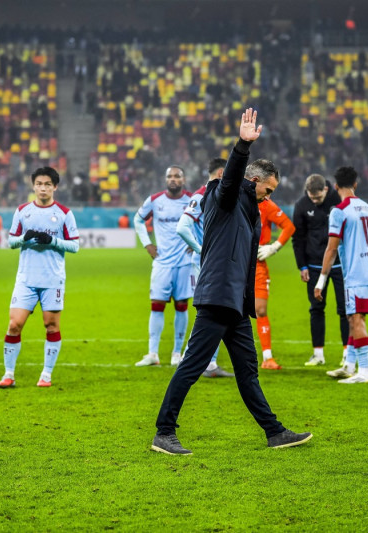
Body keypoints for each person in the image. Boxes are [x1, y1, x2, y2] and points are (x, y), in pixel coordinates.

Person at [151, 108, 312, 455]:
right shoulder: (223, 196)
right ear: (254, 181)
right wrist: (242, 145)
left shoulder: (249, 207)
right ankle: (164, 432)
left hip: (235, 302)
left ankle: (274, 432)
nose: (268, 197)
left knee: (248, 370)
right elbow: (230, 179)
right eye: (267, 190)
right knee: (192, 366)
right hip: (217, 296)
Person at [0, 167, 80, 388]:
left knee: (51, 326)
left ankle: (46, 375)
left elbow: (75, 246)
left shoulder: (64, 213)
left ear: (55, 187)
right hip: (26, 280)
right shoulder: (23, 211)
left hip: (53, 280)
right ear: (33, 186)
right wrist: (25, 237)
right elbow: (10, 242)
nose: (43, 188)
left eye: (48, 184)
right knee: (14, 324)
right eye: (39, 184)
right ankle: (8, 374)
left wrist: (51, 241)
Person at [315, 166, 368, 384]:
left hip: (356, 274)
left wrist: (321, 281)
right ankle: (349, 365)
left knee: (356, 319)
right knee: (353, 317)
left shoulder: (339, 211)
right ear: (355, 184)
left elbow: (331, 249)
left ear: (335, 187)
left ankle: (364, 371)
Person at [175, 157, 235, 378]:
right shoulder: (202, 195)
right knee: (213, 312)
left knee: (212, 312)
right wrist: (200, 248)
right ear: (221, 173)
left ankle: (199, 360)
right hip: (207, 264)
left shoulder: (206, 194)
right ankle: (203, 362)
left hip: (208, 264)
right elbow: (182, 227)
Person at [133, 166, 192, 367]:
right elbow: (138, 220)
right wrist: (147, 243)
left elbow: (206, 222)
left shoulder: (192, 200)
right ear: (165, 179)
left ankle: (177, 353)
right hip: (162, 262)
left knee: (181, 306)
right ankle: (152, 354)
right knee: (156, 305)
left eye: (177, 176)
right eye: (169, 176)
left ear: (184, 179)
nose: (173, 179)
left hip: (185, 263)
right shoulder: (155, 200)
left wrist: (196, 243)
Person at [292, 173, 349, 367]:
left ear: (326, 189)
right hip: (314, 265)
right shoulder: (301, 205)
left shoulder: (338, 200)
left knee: (344, 309)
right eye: (311, 197)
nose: (314, 201)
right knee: (316, 309)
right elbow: (297, 238)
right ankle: (318, 354)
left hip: (341, 264)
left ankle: (346, 354)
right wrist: (302, 265)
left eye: (318, 197)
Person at [253, 195, 295, 370]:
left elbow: (288, 226)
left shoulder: (266, 205)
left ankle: (267, 358)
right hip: (235, 262)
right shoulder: (237, 200)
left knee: (260, 310)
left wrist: (274, 247)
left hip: (257, 264)